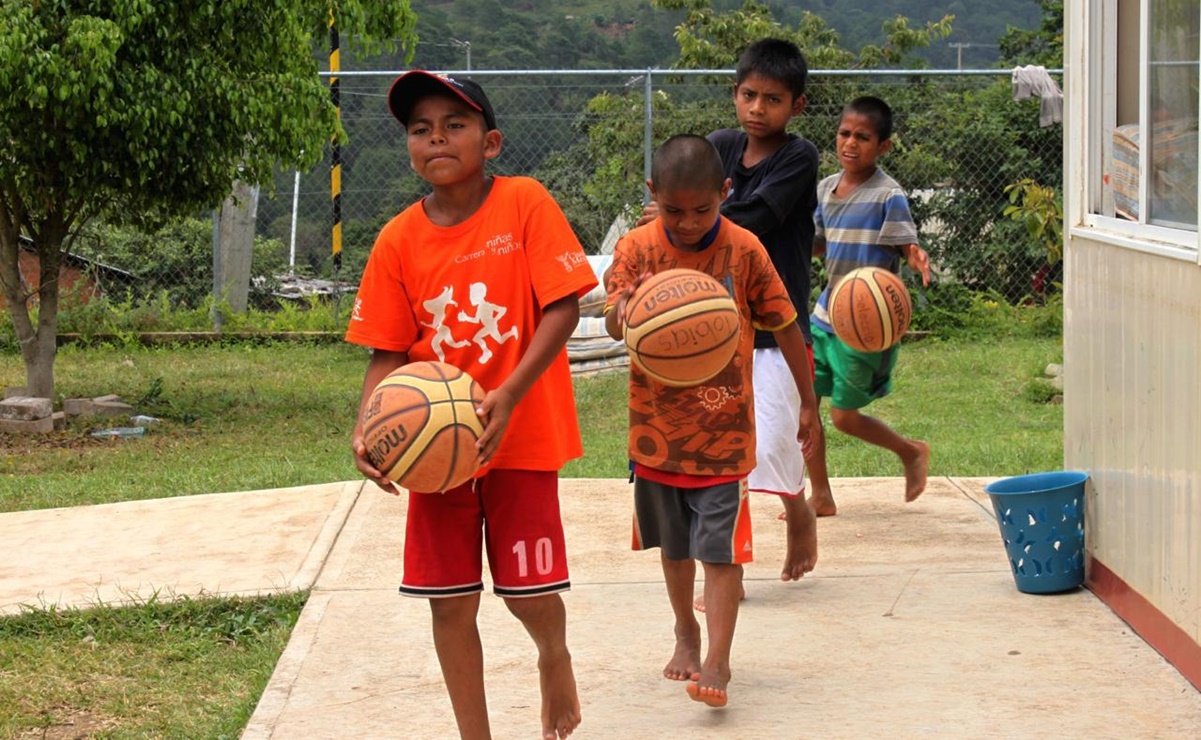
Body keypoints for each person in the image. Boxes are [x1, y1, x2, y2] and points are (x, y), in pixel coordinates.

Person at [345, 70, 596, 740]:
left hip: (520, 433)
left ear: (490, 142)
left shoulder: (523, 202)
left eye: (453, 125)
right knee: (448, 604)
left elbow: (563, 305)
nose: (436, 138)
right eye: (420, 129)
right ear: (408, 147)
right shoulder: (397, 239)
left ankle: (553, 655)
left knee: (529, 593)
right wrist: (368, 427)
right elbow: (385, 351)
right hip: (435, 449)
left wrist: (510, 394)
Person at [605, 134, 820, 708]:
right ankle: (685, 631)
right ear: (653, 195)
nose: (690, 222)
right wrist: (627, 309)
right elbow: (609, 319)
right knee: (675, 552)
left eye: (704, 209)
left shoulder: (746, 250)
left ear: (725, 192)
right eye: (674, 210)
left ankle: (719, 661)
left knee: (721, 554)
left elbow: (786, 326)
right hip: (654, 436)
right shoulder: (636, 248)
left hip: (724, 439)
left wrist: (808, 401)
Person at [638, 38, 827, 606]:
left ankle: (798, 510)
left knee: (770, 445)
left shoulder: (799, 155)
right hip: (711, 334)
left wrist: (689, 219)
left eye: (772, 98)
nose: (757, 108)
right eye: (749, 95)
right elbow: (684, 195)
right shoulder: (718, 147)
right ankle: (728, 569)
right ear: (734, 93)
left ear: (796, 105)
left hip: (774, 326)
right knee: (724, 454)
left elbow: (762, 214)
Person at [807, 95, 932, 516]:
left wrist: (914, 256)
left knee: (843, 417)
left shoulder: (887, 194)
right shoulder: (825, 189)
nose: (851, 143)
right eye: (845, 133)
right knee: (804, 407)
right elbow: (820, 246)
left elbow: (905, 242)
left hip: (864, 324)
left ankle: (909, 451)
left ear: (883, 147)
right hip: (826, 315)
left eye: (863, 137)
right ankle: (820, 494)